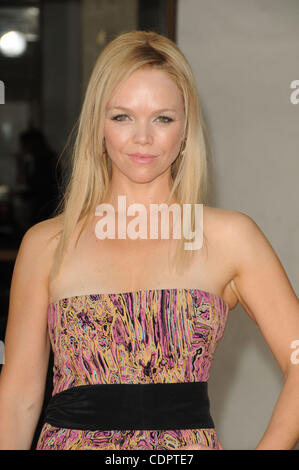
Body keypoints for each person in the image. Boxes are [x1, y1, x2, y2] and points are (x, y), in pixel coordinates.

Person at [0, 30, 298, 451]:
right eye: (122, 116)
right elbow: (18, 399)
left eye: (163, 118)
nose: (143, 137)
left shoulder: (230, 238)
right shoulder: (47, 245)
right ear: (98, 126)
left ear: (185, 130)